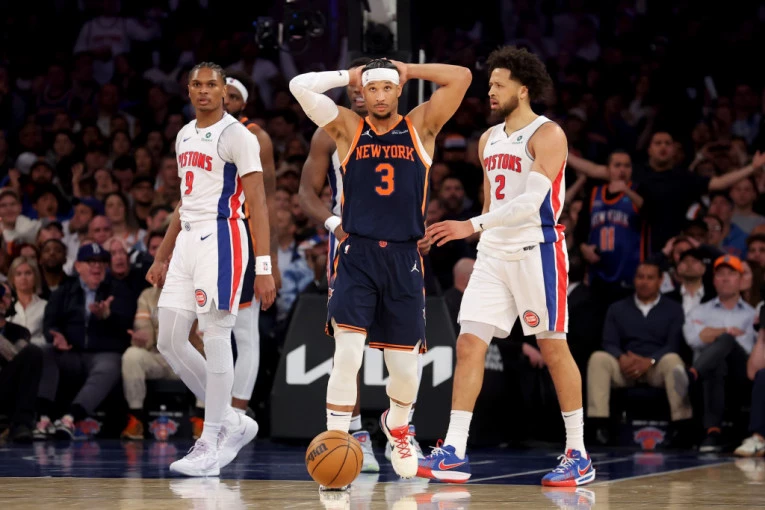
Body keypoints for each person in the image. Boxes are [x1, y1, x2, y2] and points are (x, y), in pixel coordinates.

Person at [289, 57, 471, 480]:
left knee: (405, 368)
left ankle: (398, 425)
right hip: (358, 253)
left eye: (388, 87)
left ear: (398, 90)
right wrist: (348, 76)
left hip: (404, 257)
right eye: (372, 89)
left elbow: (462, 77)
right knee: (347, 354)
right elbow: (299, 85)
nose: (380, 96)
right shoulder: (347, 127)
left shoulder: (421, 126)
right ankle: (337, 437)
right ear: (363, 92)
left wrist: (408, 68)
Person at [421, 46, 595, 486]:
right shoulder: (487, 139)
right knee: (469, 344)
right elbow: (490, 204)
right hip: (493, 252)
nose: (490, 91)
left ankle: (578, 453)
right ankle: (454, 450)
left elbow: (530, 203)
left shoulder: (548, 133)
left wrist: (469, 226)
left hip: (537, 249)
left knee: (553, 348)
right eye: (490, 84)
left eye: (499, 84)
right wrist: (467, 234)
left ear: (524, 89)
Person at [146, 62, 276, 477]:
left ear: (224, 91)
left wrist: (264, 266)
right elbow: (184, 202)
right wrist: (162, 254)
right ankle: (234, 422)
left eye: (211, 85)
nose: (204, 91)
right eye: (197, 85)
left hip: (223, 237)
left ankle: (211, 438)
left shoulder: (239, 136)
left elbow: (258, 203)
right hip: (187, 239)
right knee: (169, 340)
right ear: (188, 90)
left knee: (215, 335)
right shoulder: (184, 134)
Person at [223, 72, 280, 421]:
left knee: (244, 332)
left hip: (243, 237)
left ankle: (236, 415)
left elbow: (267, 201)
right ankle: (214, 410)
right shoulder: (197, 133)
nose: (225, 100)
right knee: (199, 331)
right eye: (222, 93)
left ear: (243, 102)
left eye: (232, 96)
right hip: (210, 238)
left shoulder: (256, 136)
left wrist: (269, 260)